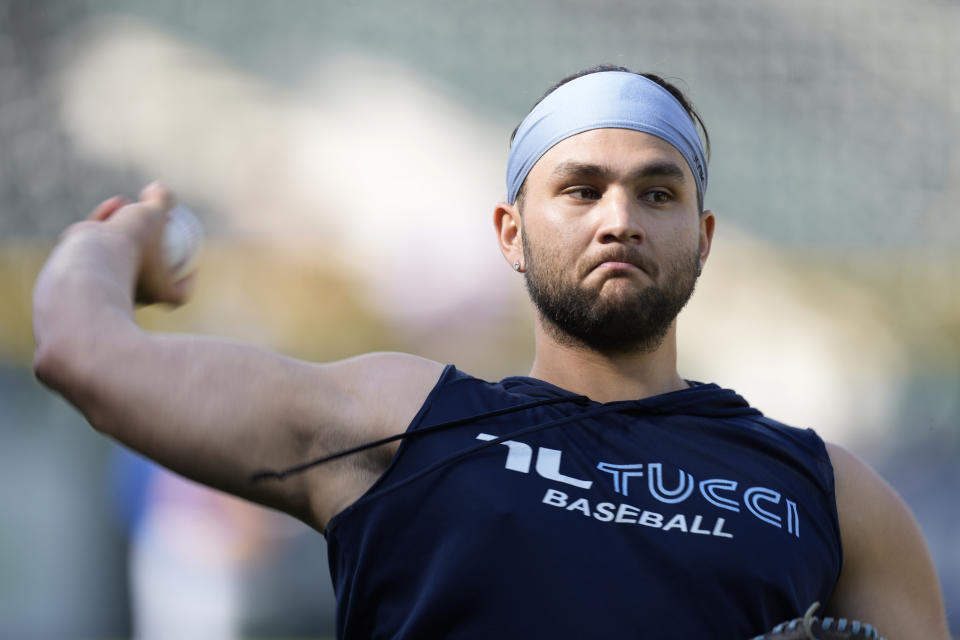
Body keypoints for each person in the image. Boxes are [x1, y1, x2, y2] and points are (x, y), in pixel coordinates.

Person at [33, 65, 949, 639]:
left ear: (704, 237)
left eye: (657, 194)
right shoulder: (405, 423)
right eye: (580, 190)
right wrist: (120, 239)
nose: (619, 219)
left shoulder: (830, 495)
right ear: (511, 232)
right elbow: (83, 352)